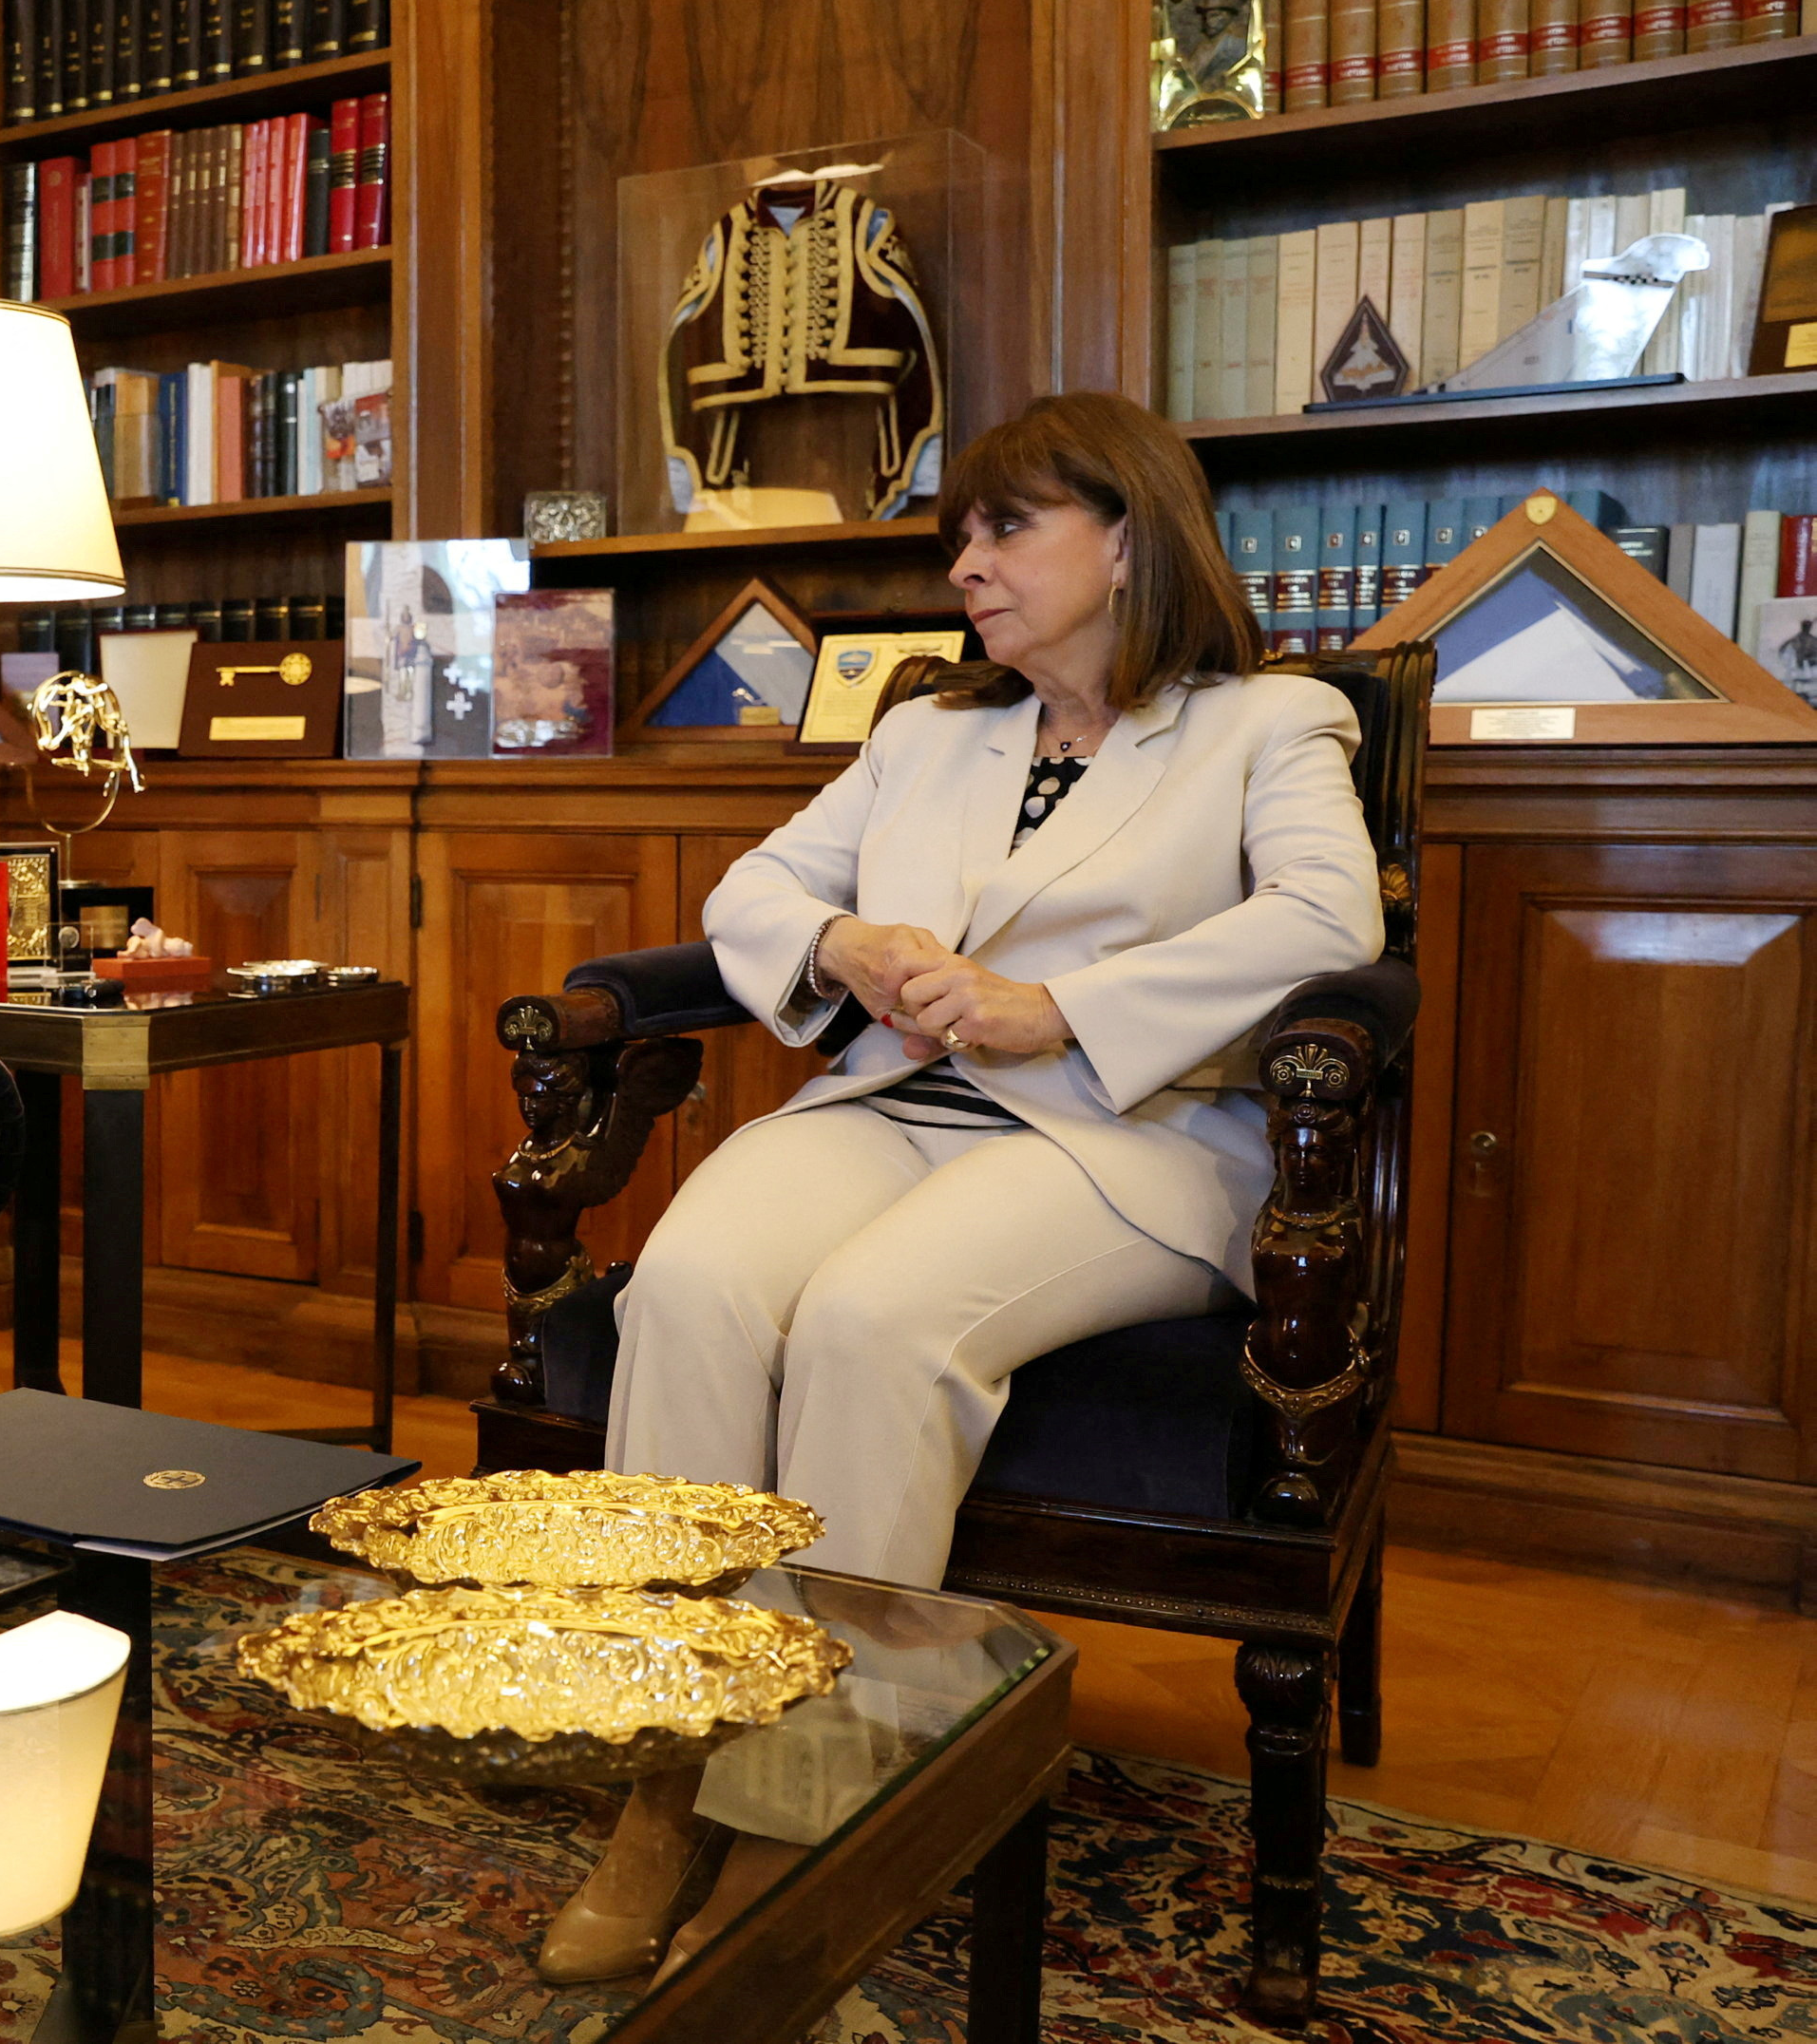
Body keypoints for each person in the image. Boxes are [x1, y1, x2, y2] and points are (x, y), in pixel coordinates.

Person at [540, 392, 1384, 1984]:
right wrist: (843, 943)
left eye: (1007, 526)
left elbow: (1333, 922)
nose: (967, 560)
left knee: (876, 1317)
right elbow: (757, 885)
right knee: (697, 1283)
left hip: (1120, 1137)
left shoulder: (1270, 724)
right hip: (892, 1101)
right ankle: (666, 1768)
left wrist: (1064, 1005)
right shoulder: (928, 730)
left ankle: (804, 1804)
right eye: (963, 531)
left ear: (1126, 538)